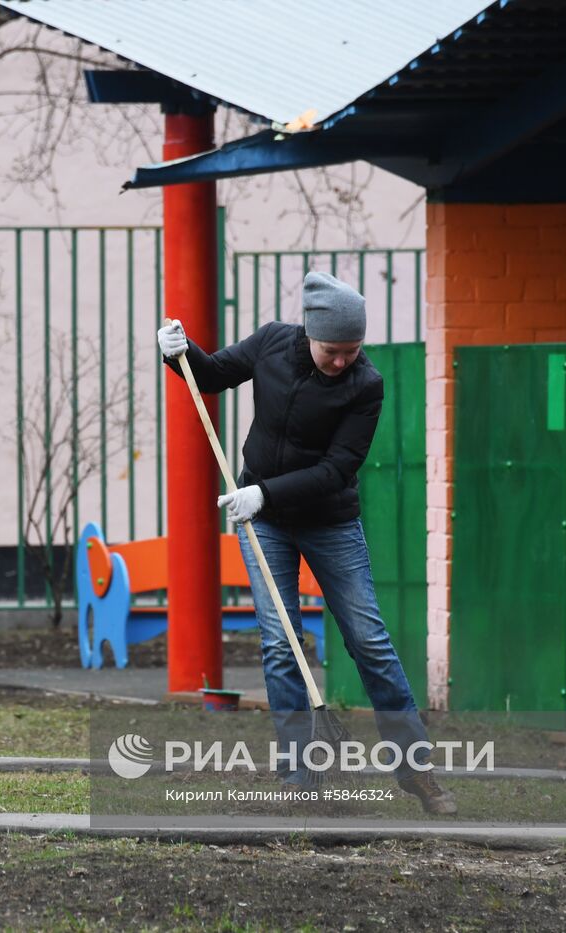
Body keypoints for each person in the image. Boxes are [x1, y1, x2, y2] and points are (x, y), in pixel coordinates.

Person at [158, 271, 456, 815]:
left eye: (352, 350)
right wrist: (179, 352)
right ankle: (299, 775)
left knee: (368, 640)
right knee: (280, 643)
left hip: (328, 520)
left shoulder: (366, 385)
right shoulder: (273, 341)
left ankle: (417, 770)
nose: (342, 360)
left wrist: (262, 494)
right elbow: (214, 375)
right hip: (266, 521)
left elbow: (337, 469)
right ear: (309, 331)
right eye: (332, 350)